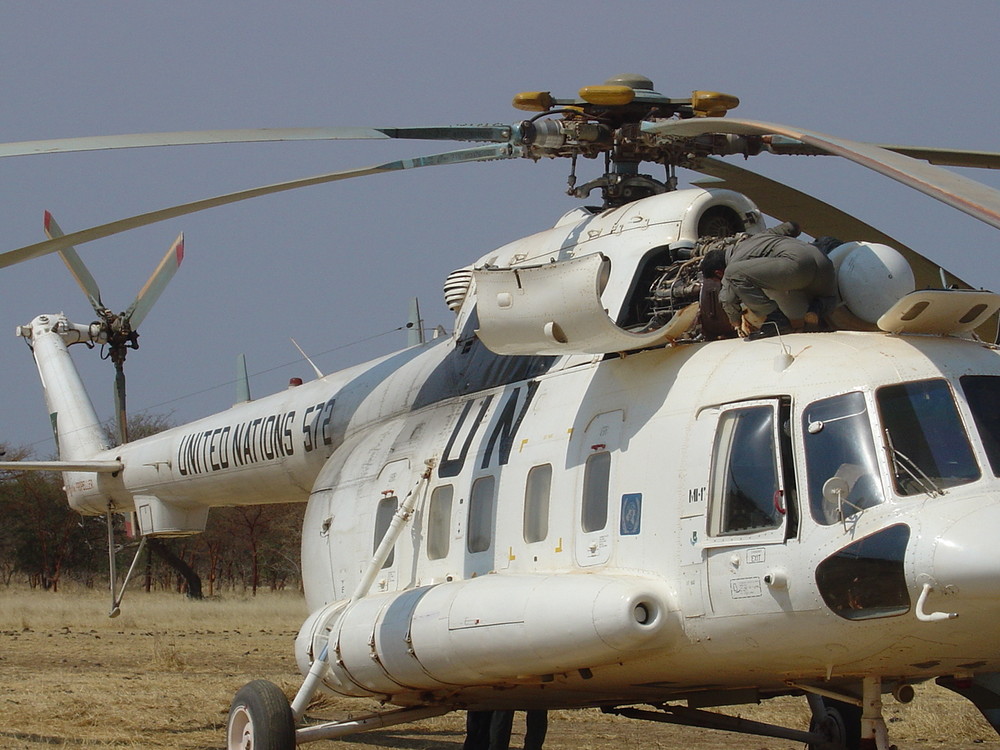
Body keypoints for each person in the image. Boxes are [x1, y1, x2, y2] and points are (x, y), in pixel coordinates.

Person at [700, 222, 836, 340]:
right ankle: (817, 309)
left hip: (797, 267)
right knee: (828, 297)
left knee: (733, 273)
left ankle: (777, 320)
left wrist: (735, 323)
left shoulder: (731, 266)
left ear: (718, 272)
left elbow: (727, 299)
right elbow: (792, 227)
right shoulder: (760, 236)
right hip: (824, 263)